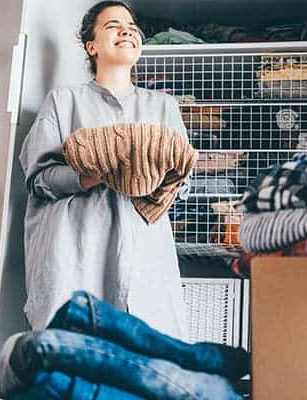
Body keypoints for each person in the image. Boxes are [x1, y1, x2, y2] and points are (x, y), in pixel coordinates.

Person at [19, 0, 189, 340]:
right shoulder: (63, 102)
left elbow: (181, 182)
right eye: (113, 25)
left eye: (131, 25)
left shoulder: (163, 106)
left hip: (145, 254)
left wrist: (149, 173)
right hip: (76, 248)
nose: (126, 30)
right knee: (75, 355)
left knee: (142, 359)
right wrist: (93, 174)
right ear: (91, 46)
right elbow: (38, 179)